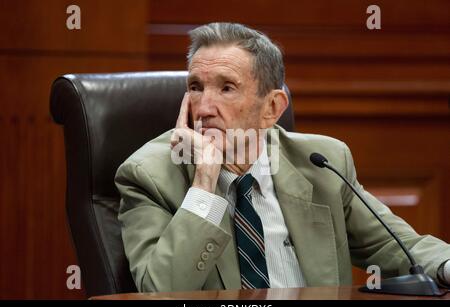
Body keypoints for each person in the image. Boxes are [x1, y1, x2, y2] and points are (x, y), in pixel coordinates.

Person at [114, 22, 450, 292]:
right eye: (196, 87)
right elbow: (162, 290)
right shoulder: (150, 175)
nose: (203, 108)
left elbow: (400, 247)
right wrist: (204, 183)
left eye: (226, 88)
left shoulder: (321, 161)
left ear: (272, 108)